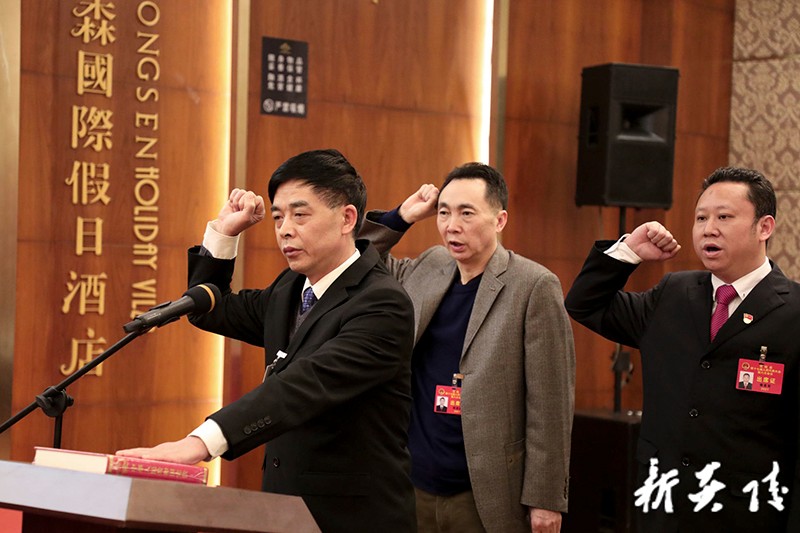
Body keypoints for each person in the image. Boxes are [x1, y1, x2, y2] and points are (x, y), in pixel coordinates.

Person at [117, 149, 417, 533]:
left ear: (347, 219)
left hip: (351, 518)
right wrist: (224, 233)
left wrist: (200, 443)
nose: (284, 229)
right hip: (284, 511)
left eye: (300, 215)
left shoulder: (383, 304)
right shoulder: (290, 288)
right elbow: (210, 308)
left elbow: (304, 385)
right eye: (277, 217)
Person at [565, 166, 800, 532]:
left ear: (764, 227)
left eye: (724, 217)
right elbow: (585, 304)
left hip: (748, 516)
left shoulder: (794, 311)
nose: (709, 229)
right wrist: (628, 251)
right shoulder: (673, 294)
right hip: (663, 511)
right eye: (701, 218)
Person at [359, 162, 576, 533]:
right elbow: (361, 262)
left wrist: (545, 498)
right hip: (412, 481)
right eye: (444, 213)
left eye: (466, 213)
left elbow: (550, 402)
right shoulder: (431, 265)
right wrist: (402, 216)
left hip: (486, 491)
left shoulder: (533, 285)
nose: (451, 225)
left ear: (500, 220)